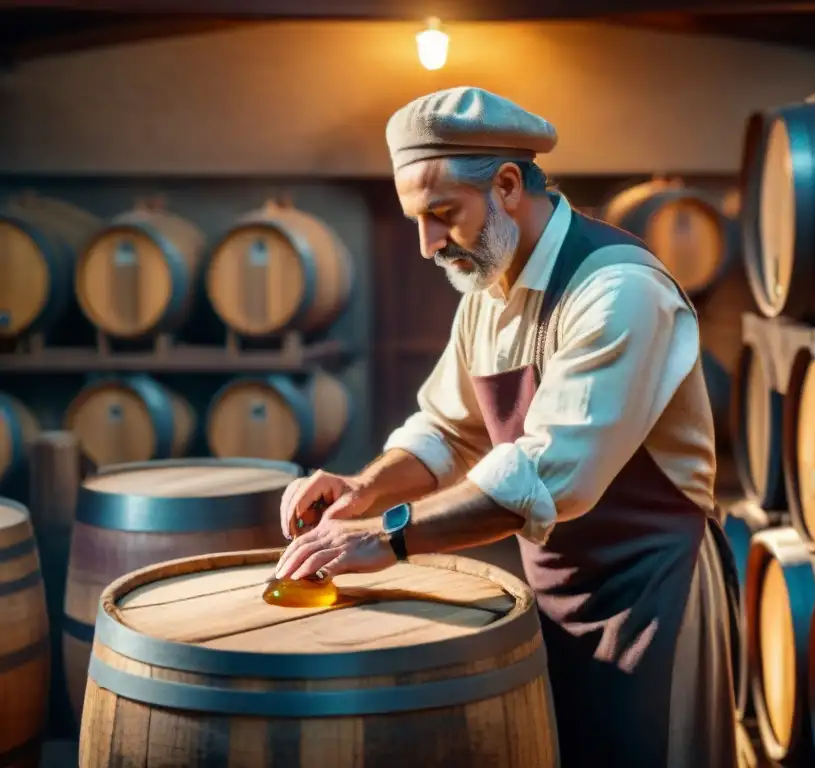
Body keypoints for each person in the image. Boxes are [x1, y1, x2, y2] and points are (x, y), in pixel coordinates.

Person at [275, 86, 738, 767]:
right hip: (556, 588)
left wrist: (388, 537)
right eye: (416, 220)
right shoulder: (487, 289)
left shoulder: (617, 290)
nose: (429, 245)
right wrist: (364, 489)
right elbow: (447, 428)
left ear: (508, 184)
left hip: (653, 596)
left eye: (443, 215)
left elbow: (548, 476)